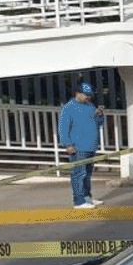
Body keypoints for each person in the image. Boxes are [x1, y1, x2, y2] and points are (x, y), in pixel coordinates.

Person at [58, 81, 105, 209]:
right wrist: (68, 144)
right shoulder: (69, 108)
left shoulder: (90, 105)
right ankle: (78, 201)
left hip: (91, 145)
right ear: (77, 93)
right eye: (86, 95)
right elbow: (63, 128)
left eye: (89, 95)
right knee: (79, 173)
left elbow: (98, 123)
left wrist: (100, 115)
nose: (88, 97)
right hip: (78, 147)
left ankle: (87, 197)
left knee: (87, 174)